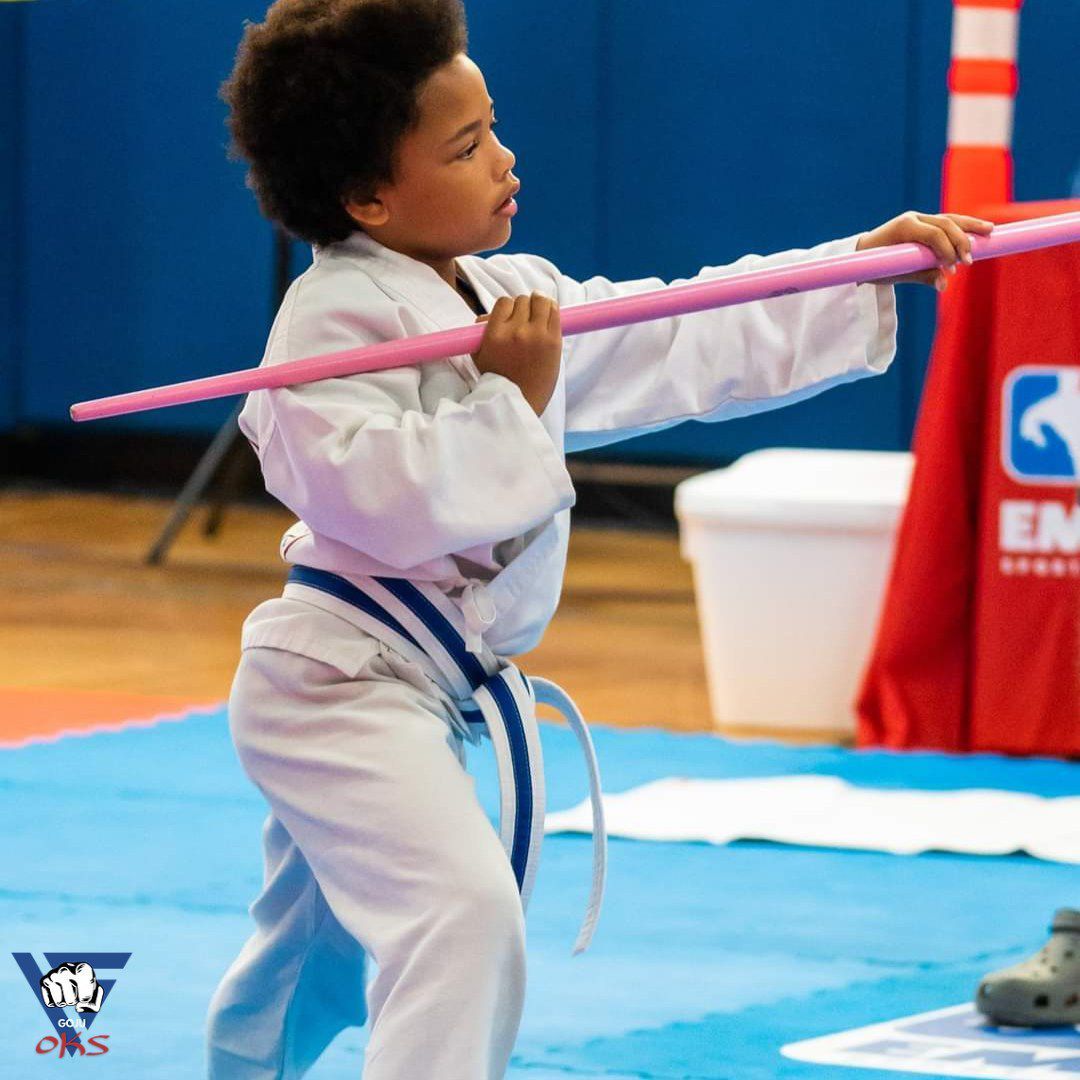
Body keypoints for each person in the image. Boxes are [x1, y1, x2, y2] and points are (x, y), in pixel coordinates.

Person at [204, 1, 992, 1076]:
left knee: (320, 951)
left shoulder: (507, 293)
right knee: (459, 915)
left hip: (423, 685)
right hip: (335, 688)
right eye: (467, 146)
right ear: (369, 198)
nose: (505, 159)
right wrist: (508, 400)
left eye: (494, 128)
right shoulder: (326, 322)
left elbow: (676, 331)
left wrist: (853, 267)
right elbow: (375, 500)